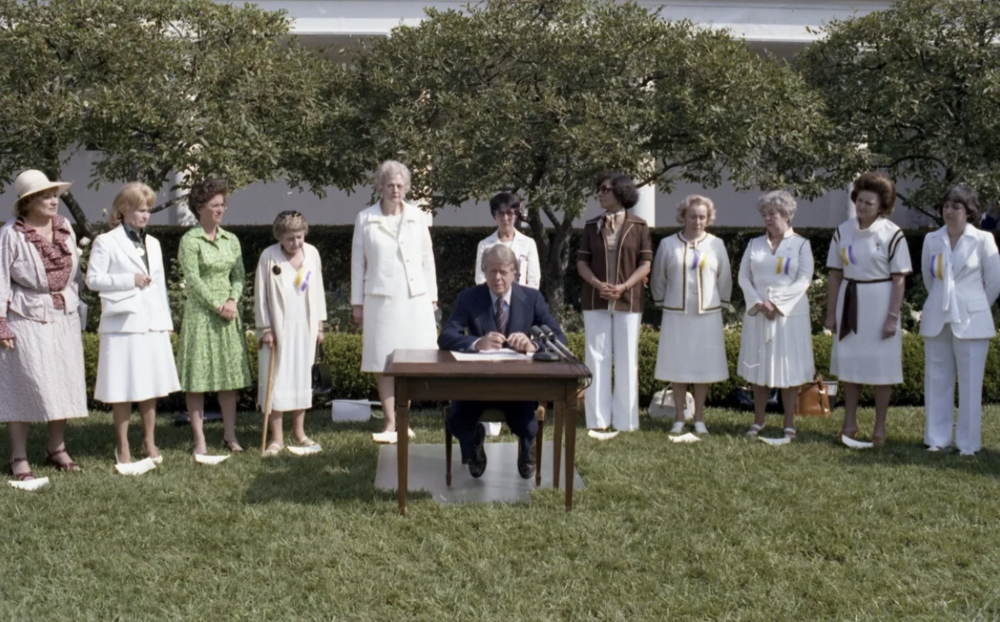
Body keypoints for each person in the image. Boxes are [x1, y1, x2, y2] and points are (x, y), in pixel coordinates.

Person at [438, 244, 566, 479]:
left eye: (503, 272)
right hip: (476, 385)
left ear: (514, 274)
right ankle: (474, 443)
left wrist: (532, 346)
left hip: (518, 386)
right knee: (456, 420)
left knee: (527, 425)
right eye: (492, 271)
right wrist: (477, 343)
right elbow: (446, 337)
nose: (497, 278)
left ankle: (527, 449)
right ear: (484, 272)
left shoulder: (532, 298)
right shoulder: (469, 298)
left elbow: (560, 338)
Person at [0, 170, 88, 480]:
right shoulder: (12, 234)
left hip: (63, 314)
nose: (54, 200)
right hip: (25, 315)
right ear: (27, 203)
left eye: (54, 195)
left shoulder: (64, 227)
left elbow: (74, 274)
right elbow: (1, 278)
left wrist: (75, 302)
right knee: (24, 382)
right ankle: (19, 456)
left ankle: (56, 448)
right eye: (45, 196)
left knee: (62, 380)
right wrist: (1, 323)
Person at [86, 182, 180, 466]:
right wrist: (130, 280)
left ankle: (149, 441)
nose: (145, 215)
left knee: (150, 385)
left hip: (151, 323)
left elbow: (160, 285)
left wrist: (166, 321)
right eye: (140, 209)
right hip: (122, 323)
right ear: (124, 209)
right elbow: (92, 279)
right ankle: (122, 446)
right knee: (122, 386)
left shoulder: (153, 243)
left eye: (148, 210)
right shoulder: (106, 241)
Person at [351, 160, 438, 444]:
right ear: (380, 187)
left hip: (415, 297)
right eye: (390, 185)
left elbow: (427, 258)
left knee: (412, 359)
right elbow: (357, 264)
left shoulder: (418, 216)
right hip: (380, 298)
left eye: (400, 185)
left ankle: (404, 420)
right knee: (383, 359)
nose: (395, 190)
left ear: (406, 188)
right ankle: (390, 422)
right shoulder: (365, 218)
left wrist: (433, 296)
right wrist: (357, 303)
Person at [825, 172, 911, 447]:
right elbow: (836, 274)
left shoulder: (892, 233)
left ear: (881, 205)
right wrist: (831, 313)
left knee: (880, 368)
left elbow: (899, 278)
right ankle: (849, 423)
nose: (862, 206)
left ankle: (880, 426)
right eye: (860, 201)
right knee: (850, 364)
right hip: (850, 300)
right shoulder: (844, 230)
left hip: (880, 300)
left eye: (869, 203)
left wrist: (892, 317)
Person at [920, 186, 1000, 456]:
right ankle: (937, 439)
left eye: (956, 207)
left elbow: (994, 283)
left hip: (972, 319)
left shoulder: (983, 240)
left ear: (969, 212)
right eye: (946, 206)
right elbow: (929, 278)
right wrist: (945, 302)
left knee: (970, 383)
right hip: (938, 317)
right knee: (936, 378)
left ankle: (968, 445)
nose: (949, 211)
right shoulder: (932, 239)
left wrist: (973, 306)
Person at [177, 178, 252, 456]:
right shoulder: (190, 240)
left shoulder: (231, 240)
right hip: (201, 316)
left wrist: (232, 300)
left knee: (228, 378)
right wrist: (217, 304)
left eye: (223, 204)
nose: (221, 209)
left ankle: (230, 436)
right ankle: (199, 440)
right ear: (200, 207)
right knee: (197, 380)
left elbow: (240, 275)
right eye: (215, 205)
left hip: (228, 315)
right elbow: (193, 280)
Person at [576, 172, 652, 434]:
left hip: (628, 300)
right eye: (599, 188)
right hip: (595, 299)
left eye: (605, 189)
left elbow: (645, 263)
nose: (600, 193)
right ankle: (597, 420)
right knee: (595, 357)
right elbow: (581, 263)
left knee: (627, 358)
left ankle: (626, 421)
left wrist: (623, 286)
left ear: (621, 192)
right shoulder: (591, 226)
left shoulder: (639, 226)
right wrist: (598, 284)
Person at [651, 195, 732, 436]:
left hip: (706, 315)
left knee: (702, 366)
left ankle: (698, 417)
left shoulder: (716, 244)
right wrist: (663, 301)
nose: (697, 221)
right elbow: (658, 277)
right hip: (677, 314)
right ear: (683, 217)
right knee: (678, 365)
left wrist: (722, 303)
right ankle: (678, 417)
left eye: (702, 217)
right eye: (693, 216)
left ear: (708, 219)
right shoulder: (668, 244)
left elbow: (724, 276)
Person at [737, 191, 815, 439]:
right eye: (764, 214)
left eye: (773, 213)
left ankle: (789, 423)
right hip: (759, 313)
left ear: (787, 215)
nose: (768, 219)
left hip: (788, 316)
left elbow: (804, 280)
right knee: (760, 369)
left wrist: (776, 304)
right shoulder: (754, 244)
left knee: (788, 369)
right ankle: (758, 421)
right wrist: (760, 303)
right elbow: (743, 277)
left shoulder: (801, 245)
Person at [255, 211, 327, 456]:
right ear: (280, 238)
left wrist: (319, 325)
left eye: (299, 237)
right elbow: (261, 295)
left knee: (301, 378)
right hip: (278, 327)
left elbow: (317, 289)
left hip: (304, 326)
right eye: (290, 239)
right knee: (277, 380)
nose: (296, 243)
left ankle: (299, 433)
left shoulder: (312, 253)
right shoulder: (268, 256)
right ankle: (276, 438)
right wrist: (265, 328)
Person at [474, 192, 541, 289]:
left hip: (522, 301)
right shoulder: (484, 245)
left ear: (516, 215)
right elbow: (480, 280)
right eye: (501, 213)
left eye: (509, 213)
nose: (505, 218)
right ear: (494, 216)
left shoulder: (528, 244)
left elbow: (534, 281)